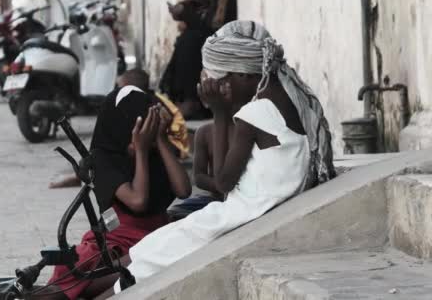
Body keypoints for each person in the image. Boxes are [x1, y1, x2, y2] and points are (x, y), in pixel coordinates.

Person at [102, 21, 336, 296]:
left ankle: (90, 290)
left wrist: (220, 112)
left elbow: (223, 183)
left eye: (223, 84)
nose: (221, 91)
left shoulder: (254, 114)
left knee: (156, 253)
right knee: (156, 245)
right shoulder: (292, 99)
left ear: (245, 75)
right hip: (256, 209)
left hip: (242, 217)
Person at [44, 86, 191, 300]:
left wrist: (159, 140)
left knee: (148, 260)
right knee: (75, 271)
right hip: (117, 243)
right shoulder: (102, 159)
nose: (139, 138)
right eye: (134, 130)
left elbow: (184, 190)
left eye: (145, 129)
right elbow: (137, 200)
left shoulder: (154, 150)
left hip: (154, 236)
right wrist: (140, 150)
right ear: (118, 129)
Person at [49, 69, 189, 188]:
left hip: (173, 146)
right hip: (159, 143)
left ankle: (89, 174)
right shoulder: (143, 100)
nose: (116, 93)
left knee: (116, 150)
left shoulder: (150, 104)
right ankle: (86, 173)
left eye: (119, 89)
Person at [159, 0, 237, 119]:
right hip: (215, 35)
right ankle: (183, 98)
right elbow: (210, 0)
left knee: (190, 40)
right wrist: (186, 6)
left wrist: (186, 15)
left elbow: (217, 25)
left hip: (226, 39)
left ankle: (193, 101)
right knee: (186, 38)